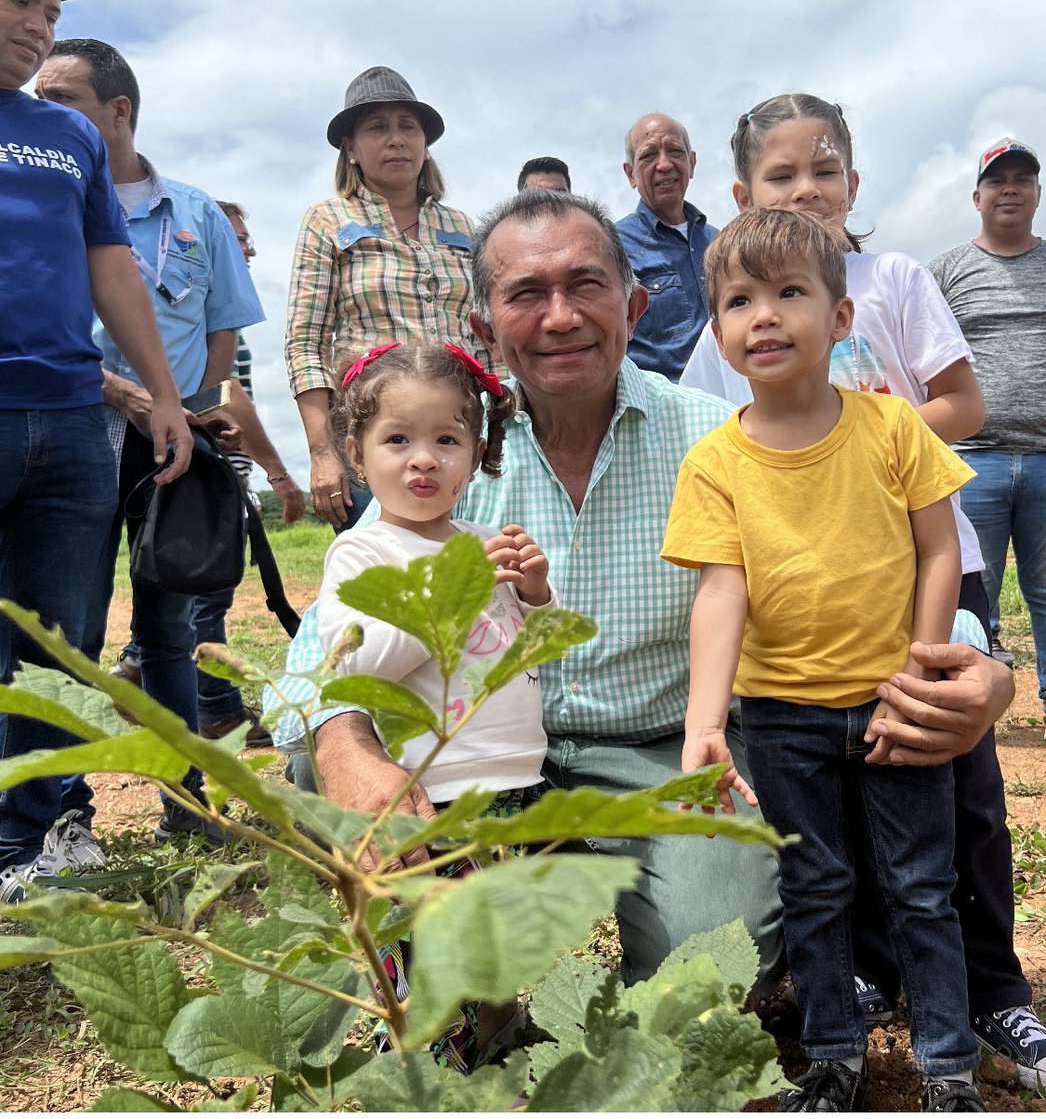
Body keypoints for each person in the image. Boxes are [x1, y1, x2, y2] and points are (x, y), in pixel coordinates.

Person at [274, 190, 785, 990]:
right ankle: (445, 991)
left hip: (658, 755)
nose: (559, 317)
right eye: (524, 294)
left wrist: (966, 645)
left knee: (710, 964)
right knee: (330, 754)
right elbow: (322, 646)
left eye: (586, 285)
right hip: (464, 760)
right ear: (483, 327)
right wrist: (344, 747)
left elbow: (833, 583)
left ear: (635, 303)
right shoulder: (439, 454)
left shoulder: (718, 440)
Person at [680, 92, 1043, 1087]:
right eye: (779, 176)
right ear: (740, 195)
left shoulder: (895, 281)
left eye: (822, 170)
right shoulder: (732, 355)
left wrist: (869, 433)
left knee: (954, 801)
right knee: (829, 857)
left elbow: (959, 408)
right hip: (800, 642)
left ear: (851, 179)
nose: (804, 189)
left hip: (925, 576)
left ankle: (990, 1002)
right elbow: (720, 562)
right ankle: (858, 1011)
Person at [663, 207, 984, 1112]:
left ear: (840, 319)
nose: (764, 315)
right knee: (814, 883)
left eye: (790, 292)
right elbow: (722, 591)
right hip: (781, 714)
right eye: (739, 301)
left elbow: (939, 553)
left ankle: (948, 1067)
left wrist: (919, 674)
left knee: (922, 885)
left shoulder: (892, 429)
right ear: (719, 336)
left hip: (898, 701)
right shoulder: (715, 461)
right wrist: (703, 722)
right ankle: (834, 1054)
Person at [0, 0, 191, 902]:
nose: (38, 27)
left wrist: (162, 391)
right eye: (18, 0)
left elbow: (110, 265)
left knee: (59, 638)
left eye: (51, 13)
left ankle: (36, 841)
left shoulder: (68, 134)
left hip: (71, 419)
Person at [35, 38, 265, 844]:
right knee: (67, 627)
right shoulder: (44, 199)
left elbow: (222, 334)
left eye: (61, 98)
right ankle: (62, 812)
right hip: (71, 431)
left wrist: (187, 410)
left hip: (171, 437)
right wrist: (123, 391)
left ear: (117, 111)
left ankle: (188, 802)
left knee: (172, 628)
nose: (41, 107)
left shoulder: (197, 213)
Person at [308, 340, 553, 1071]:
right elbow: (355, 668)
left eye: (447, 439)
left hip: (512, 781)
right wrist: (452, 591)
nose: (424, 459)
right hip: (431, 793)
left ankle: (502, 1035)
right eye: (397, 440)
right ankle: (434, 1069)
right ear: (356, 454)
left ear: (476, 453)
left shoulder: (484, 543)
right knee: (440, 943)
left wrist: (536, 594)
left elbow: (531, 650)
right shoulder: (361, 555)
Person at [286, 65, 484, 531]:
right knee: (386, 577)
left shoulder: (462, 227)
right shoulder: (327, 220)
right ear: (350, 148)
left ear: (424, 143)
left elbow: (488, 337)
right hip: (377, 438)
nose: (396, 139)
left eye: (407, 127)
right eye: (377, 127)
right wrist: (323, 453)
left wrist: (497, 433)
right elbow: (305, 345)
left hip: (457, 436)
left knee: (473, 572)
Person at [930, 139, 1046, 696]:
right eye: (999, 180)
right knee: (971, 595)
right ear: (977, 196)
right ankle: (969, 714)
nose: (1011, 189)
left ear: (1037, 193)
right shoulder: (946, 272)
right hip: (973, 460)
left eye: (1022, 179)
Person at [189, 200, 304, 746]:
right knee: (207, 594)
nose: (250, 248)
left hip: (223, 473)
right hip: (212, 473)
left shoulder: (214, 319)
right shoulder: (214, 325)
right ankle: (214, 708)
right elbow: (231, 402)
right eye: (238, 238)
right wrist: (278, 474)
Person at [616, 112, 716, 381]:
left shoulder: (721, 243)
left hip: (736, 405)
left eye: (675, 151)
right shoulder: (612, 247)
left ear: (691, 163)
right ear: (630, 173)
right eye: (648, 155)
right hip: (664, 409)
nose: (664, 164)